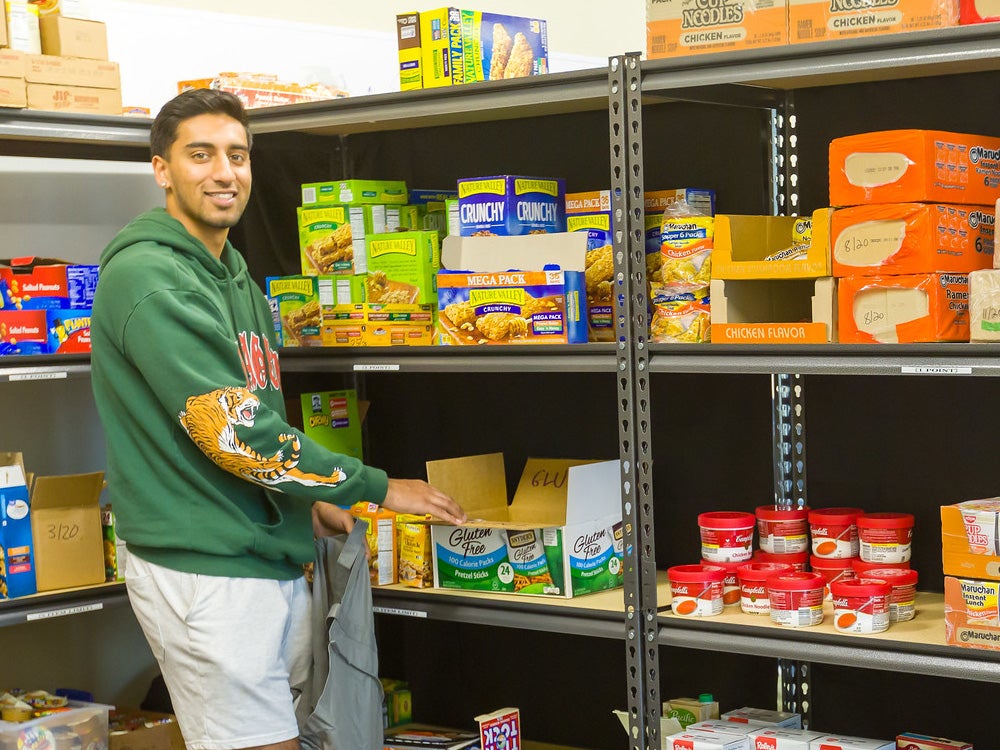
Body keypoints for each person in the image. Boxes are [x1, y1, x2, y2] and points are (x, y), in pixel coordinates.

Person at [90, 89, 466, 750]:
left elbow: (260, 414)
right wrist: (371, 487)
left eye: (238, 155)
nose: (224, 172)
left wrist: (304, 500)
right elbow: (234, 431)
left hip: (260, 551)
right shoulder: (151, 279)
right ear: (161, 169)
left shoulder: (232, 274)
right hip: (205, 564)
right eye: (200, 155)